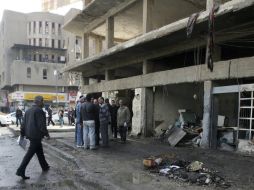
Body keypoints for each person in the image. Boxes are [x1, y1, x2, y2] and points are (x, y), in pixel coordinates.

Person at [16, 96, 50, 180]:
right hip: (36, 135)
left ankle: (44, 166)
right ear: (38, 102)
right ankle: (20, 170)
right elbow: (41, 125)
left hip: (30, 135)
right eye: (43, 101)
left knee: (39, 151)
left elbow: (23, 124)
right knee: (29, 154)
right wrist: (46, 134)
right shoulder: (39, 110)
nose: (43, 103)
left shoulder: (28, 111)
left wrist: (22, 134)